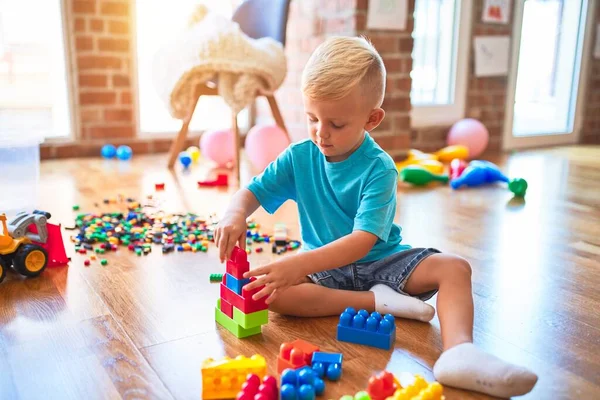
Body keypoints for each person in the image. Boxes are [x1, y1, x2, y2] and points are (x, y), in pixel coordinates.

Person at [214, 36, 538, 398]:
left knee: (455, 268)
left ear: (372, 118)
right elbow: (252, 191)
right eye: (312, 118)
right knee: (273, 296)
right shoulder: (299, 156)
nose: (322, 132)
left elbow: (361, 242)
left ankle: (460, 351)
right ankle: (378, 302)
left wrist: (295, 263)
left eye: (336, 123)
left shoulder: (380, 168)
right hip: (327, 270)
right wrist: (234, 212)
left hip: (382, 261)